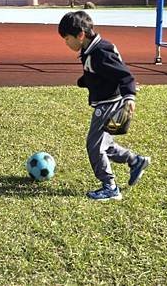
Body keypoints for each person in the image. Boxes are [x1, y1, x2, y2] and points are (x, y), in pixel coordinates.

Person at [58, 11, 150, 201]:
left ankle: (110, 187)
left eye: (67, 38)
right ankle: (135, 161)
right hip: (109, 101)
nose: (66, 43)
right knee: (105, 145)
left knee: (94, 145)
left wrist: (130, 96)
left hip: (109, 105)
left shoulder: (100, 51)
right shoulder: (91, 49)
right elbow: (100, 72)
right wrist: (84, 81)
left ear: (80, 35)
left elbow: (124, 75)